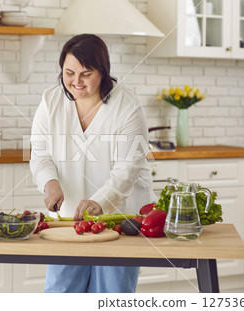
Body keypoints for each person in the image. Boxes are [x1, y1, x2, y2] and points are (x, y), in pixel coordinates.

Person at [29, 34, 156, 293]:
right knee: (60, 293)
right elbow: (40, 154)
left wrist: (100, 201)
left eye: (86, 74)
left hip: (120, 216)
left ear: (103, 72)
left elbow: (128, 168)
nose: (76, 82)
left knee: (111, 294)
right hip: (67, 221)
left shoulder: (127, 106)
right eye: (69, 72)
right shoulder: (50, 101)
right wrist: (49, 183)